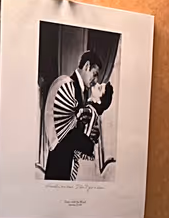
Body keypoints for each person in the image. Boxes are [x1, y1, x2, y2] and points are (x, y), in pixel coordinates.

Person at [41, 49, 114, 182]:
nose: (95, 80)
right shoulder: (71, 87)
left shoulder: (81, 93)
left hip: (67, 165)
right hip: (60, 164)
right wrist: (88, 142)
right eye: (94, 74)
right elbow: (72, 135)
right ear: (86, 66)